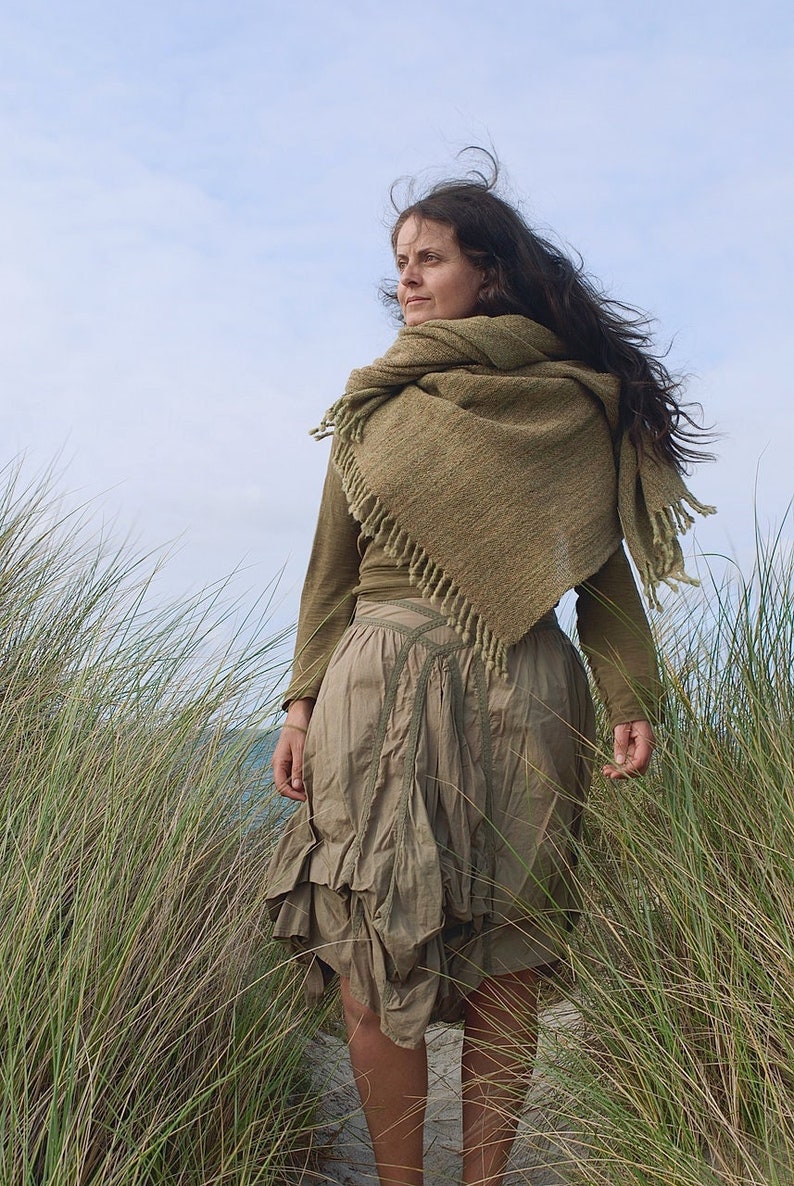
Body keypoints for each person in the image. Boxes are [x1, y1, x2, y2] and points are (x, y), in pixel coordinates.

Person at [265, 160, 713, 1186]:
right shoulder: (375, 402)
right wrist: (298, 705)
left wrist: (628, 695)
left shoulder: (569, 407)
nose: (408, 280)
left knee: (511, 946)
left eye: (429, 259)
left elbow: (599, 575)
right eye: (400, 265)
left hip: (529, 687)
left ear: (490, 272)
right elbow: (328, 566)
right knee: (375, 941)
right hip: (375, 683)